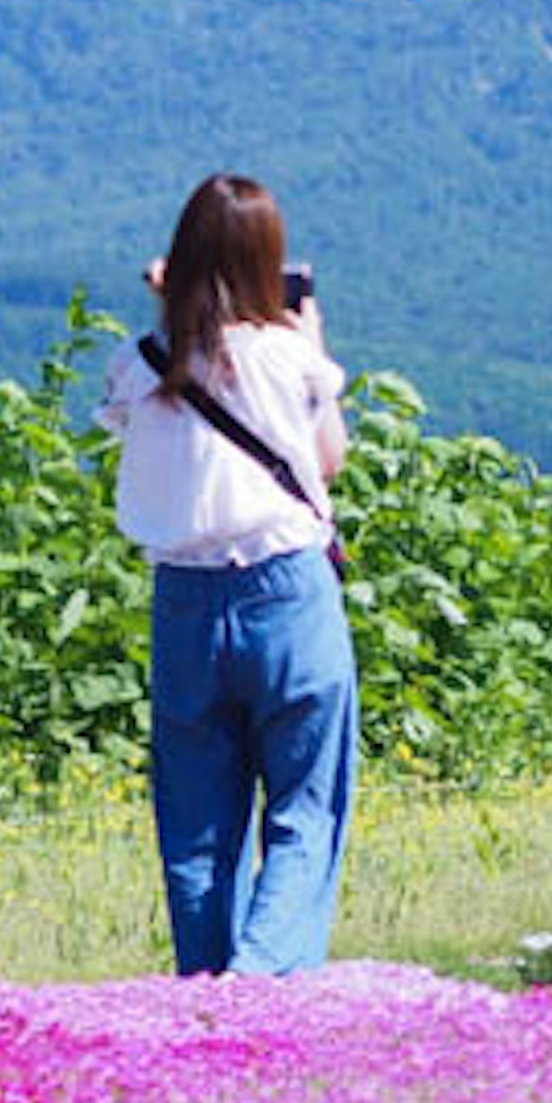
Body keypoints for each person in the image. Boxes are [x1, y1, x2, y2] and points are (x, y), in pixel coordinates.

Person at [95, 172, 358, 974]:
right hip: (287, 591)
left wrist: (170, 312)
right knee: (305, 812)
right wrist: (304, 335)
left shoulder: (140, 362)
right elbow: (329, 460)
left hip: (183, 603)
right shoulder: (288, 356)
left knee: (198, 828)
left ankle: (208, 1001)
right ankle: (258, 984)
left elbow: (169, 380)